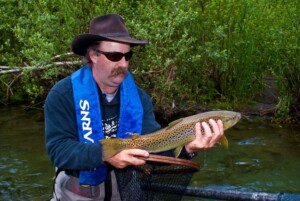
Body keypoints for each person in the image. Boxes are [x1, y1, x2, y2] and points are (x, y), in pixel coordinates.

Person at [45, 14, 224, 201]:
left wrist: (188, 147)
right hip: (75, 193)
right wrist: (107, 154)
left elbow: (154, 146)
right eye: (114, 56)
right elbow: (59, 151)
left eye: (127, 55)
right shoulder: (63, 95)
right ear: (93, 56)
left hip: (125, 193)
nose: (123, 64)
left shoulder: (139, 99)